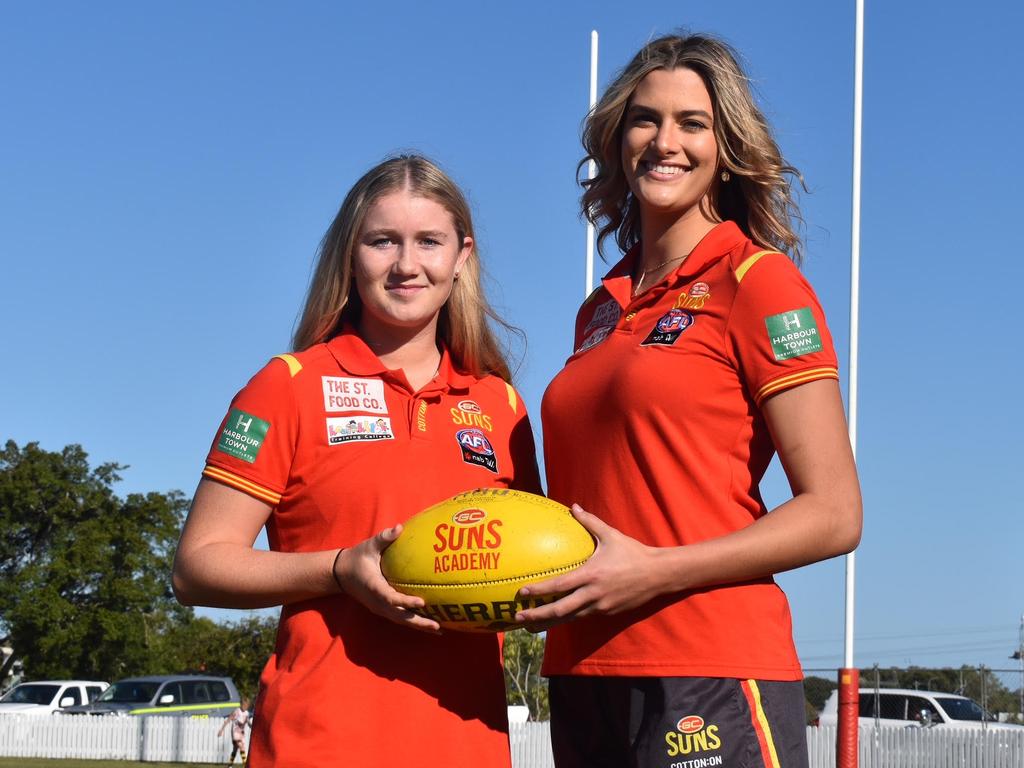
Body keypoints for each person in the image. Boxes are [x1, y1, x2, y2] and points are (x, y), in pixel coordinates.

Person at [515, 33, 863, 768]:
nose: (663, 141)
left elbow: (835, 514)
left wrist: (651, 571)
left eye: (692, 123)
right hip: (584, 670)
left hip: (709, 667)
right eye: (645, 119)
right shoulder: (598, 310)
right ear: (618, 139)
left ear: (725, 146)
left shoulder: (758, 281)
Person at [172, 154, 541, 768]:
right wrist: (342, 570)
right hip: (319, 742)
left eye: (429, 241)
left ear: (462, 257)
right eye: (382, 241)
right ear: (351, 253)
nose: (406, 264)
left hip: (468, 745)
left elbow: (525, 569)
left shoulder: (499, 403)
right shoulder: (286, 385)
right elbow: (197, 568)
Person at [217, 696, 251, 765]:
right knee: (241, 746)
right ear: (241, 704)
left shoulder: (247, 713)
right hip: (235, 732)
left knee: (235, 750)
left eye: (247, 705)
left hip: (241, 733)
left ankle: (229, 765)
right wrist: (221, 730)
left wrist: (252, 727)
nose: (245, 707)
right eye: (244, 705)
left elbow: (248, 722)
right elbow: (228, 720)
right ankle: (245, 764)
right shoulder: (237, 711)